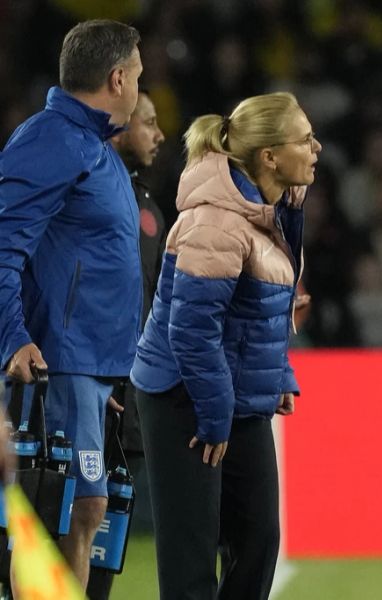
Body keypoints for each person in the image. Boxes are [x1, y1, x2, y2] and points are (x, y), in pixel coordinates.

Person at [129, 91, 318, 599]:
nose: (317, 148)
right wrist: (213, 414)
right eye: (305, 139)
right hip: (184, 395)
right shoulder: (214, 222)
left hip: (230, 393)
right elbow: (191, 332)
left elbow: (255, 312)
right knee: (191, 556)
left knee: (259, 537)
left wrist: (275, 375)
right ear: (269, 157)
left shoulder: (272, 210)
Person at [0, 19, 142, 589]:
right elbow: (4, 245)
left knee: (82, 512)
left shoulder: (90, 146)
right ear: (116, 78)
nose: (138, 87)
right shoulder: (52, 140)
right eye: (137, 76)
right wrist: (13, 337)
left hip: (88, 365)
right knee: (65, 509)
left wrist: (105, 373)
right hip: (61, 359)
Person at [86, 90, 166, 600]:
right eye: (149, 123)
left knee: (108, 523)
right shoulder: (86, 193)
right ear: (119, 128)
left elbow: (155, 296)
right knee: (72, 514)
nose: (159, 135)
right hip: (85, 383)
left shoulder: (149, 208)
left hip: (129, 392)